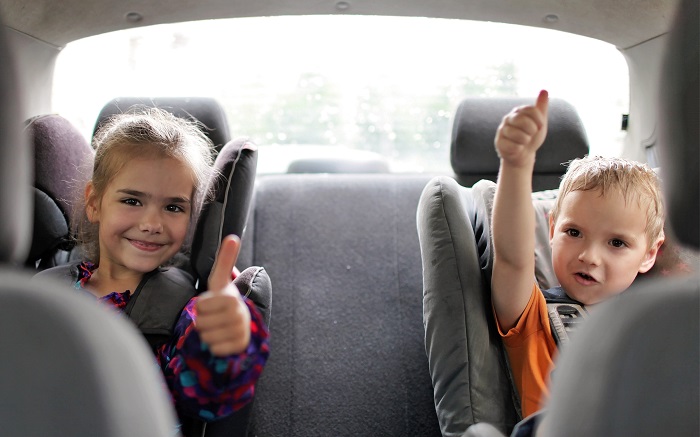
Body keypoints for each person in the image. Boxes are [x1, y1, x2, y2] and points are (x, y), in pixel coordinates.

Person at [33, 108, 270, 434]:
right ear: (94, 203)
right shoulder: (44, 293)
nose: (151, 224)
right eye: (132, 201)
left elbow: (205, 399)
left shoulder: (186, 311)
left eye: (173, 207)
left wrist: (224, 345)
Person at [490, 90, 665, 431]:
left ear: (649, 255)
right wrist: (516, 163)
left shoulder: (660, 324)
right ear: (552, 228)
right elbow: (512, 257)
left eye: (616, 242)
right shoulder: (534, 316)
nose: (589, 256)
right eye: (574, 233)